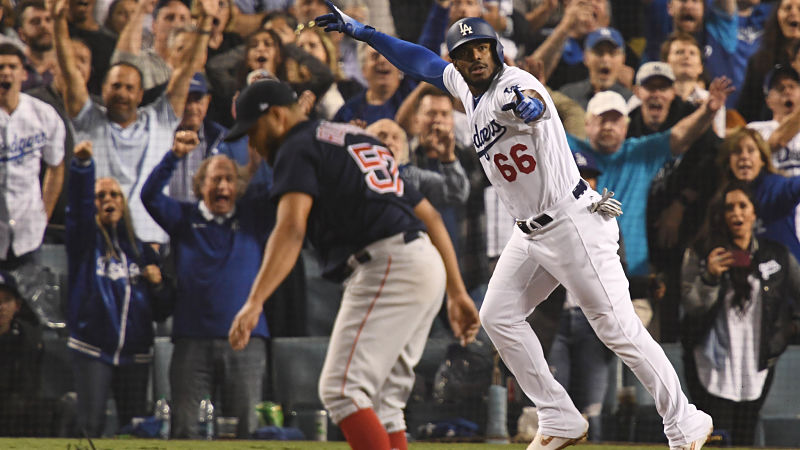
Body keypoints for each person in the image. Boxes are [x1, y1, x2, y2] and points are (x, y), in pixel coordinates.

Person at [313, 5, 713, 449]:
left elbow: (533, 106)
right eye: (466, 53)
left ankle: (685, 420)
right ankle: (558, 414)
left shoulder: (513, 84)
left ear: (496, 49)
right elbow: (421, 61)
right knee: (498, 316)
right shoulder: (465, 88)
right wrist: (363, 32)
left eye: (483, 47)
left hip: (573, 221)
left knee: (618, 329)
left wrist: (529, 105)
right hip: (531, 232)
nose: (476, 57)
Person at [225, 79, 480, 450]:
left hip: (387, 262)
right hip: (423, 261)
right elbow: (431, 217)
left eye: (252, 130)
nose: (250, 142)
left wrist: (254, 301)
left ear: (276, 116)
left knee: (341, 391)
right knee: (385, 404)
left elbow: (292, 229)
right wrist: (455, 292)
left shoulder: (297, 144)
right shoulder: (355, 138)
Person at [141, 130, 272, 438]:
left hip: (246, 338)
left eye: (229, 179)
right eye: (215, 179)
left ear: (238, 186)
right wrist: (173, 157)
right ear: (200, 186)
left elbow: (275, 191)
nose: (223, 186)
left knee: (247, 427)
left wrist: (263, 159)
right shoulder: (183, 219)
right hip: (191, 340)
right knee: (183, 428)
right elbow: (149, 196)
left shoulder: (254, 218)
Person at [54, 0, 212, 245]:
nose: (122, 93)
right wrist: (57, 23)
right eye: (115, 86)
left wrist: (204, 26)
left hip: (150, 243)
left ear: (140, 94)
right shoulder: (89, 121)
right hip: (98, 243)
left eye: (130, 88)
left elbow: (187, 69)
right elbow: (69, 72)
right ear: (103, 90)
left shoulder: (161, 120)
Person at [680, 180, 800, 446]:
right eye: (729, 207)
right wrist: (710, 276)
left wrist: (791, 326)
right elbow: (692, 305)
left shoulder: (776, 255)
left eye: (743, 206)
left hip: (756, 366)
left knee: (746, 437)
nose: (737, 213)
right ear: (721, 215)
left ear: (754, 212)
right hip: (710, 365)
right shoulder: (701, 252)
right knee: (717, 436)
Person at [65, 141, 172, 437]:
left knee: (133, 430)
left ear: (124, 203)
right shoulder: (84, 244)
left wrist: (159, 285)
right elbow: (77, 211)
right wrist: (83, 168)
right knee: (91, 427)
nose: (108, 200)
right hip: (93, 350)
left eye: (114, 195)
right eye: (100, 196)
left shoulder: (142, 251)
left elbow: (163, 310)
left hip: (135, 355)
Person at [0, 42, 65, 271]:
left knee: (30, 303)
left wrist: (43, 214)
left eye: (12, 66)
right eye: (0, 67)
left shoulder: (43, 114)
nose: (6, 72)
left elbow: (56, 165)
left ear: (23, 74)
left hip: (29, 231)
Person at [0, 270, 50, 437]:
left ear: (17, 305)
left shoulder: (28, 337)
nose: (1, 307)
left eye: (6, 300)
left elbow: (30, 388)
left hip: (16, 415)